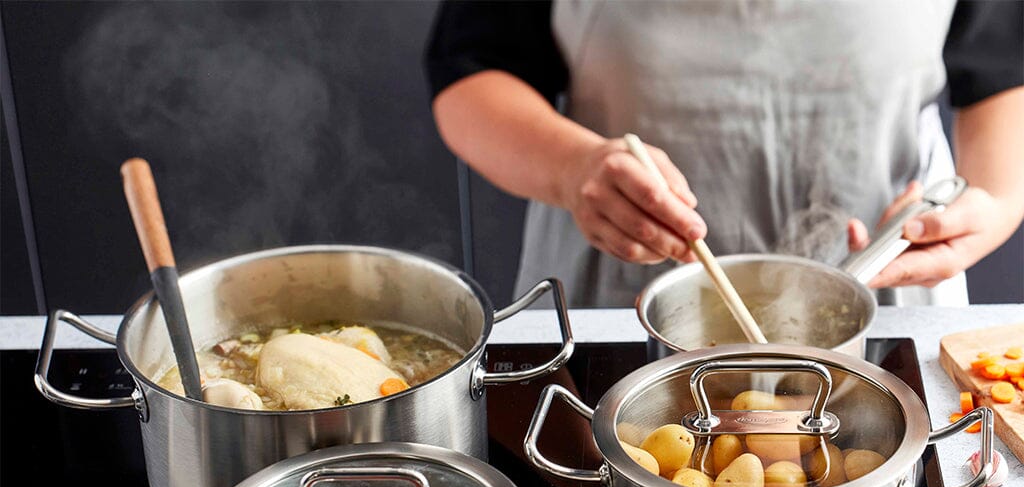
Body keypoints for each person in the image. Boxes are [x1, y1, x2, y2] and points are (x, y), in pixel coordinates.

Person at [425, 0, 1024, 307]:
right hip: (621, 296)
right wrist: (569, 166)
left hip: (884, 293)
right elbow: (472, 72)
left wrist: (995, 200)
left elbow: (1002, 71)